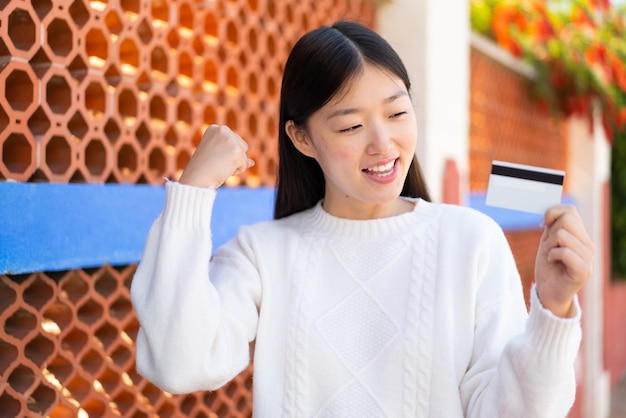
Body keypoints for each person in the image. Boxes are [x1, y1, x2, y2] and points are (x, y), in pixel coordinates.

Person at [130, 20, 594, 417]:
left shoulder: (471, 240)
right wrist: (191, 194)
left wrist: (551, 312)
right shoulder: (262, 253)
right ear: (302, 138)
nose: (383, 144)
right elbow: (178, 361)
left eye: (396, 112)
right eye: (351, 126)